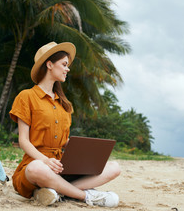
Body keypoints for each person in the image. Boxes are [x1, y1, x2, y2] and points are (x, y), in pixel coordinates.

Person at [9, 41, 121, 207]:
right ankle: (86, 196)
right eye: (64, 64)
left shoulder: (64, 104)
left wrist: (85, 151)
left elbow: (64, 141)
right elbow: (24, 141)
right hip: (37, 166)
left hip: (62, 167)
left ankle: (57, 192)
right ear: (49, 64)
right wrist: (45, 161)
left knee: (114, 167)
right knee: (36, 168)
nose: (67, 69)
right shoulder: (26, 96)